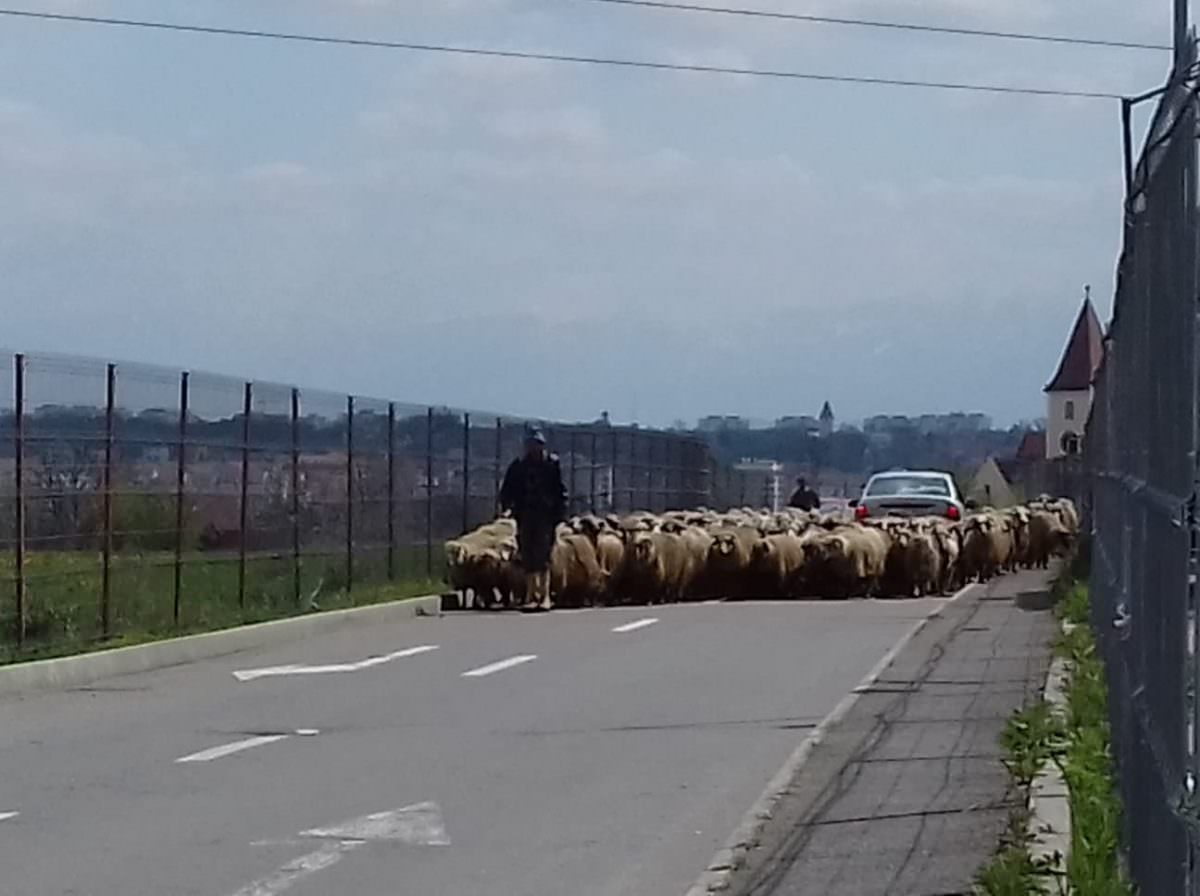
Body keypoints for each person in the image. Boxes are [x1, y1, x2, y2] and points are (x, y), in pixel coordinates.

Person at [499, 425, 567, 612]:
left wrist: (559, 513)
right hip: (525, 515)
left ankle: (544, 595)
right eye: (530, 443)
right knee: (528, 554)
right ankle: (531, 594)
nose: (534, 448)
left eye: (537, 444)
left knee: (543, 554)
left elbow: (560, 490)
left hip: (545, 516)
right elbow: (507, 490)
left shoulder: (551, 464)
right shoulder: (519, 466)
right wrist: (508, 507)